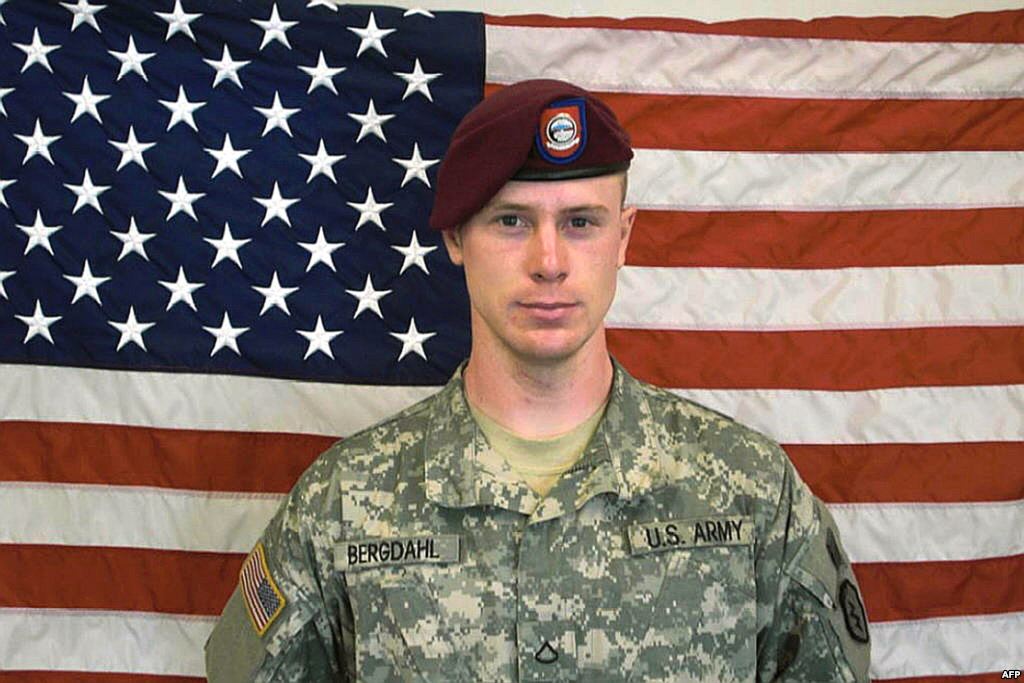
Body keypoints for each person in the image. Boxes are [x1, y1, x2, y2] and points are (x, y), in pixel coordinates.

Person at [205, 79, 871, 682]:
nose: (548, 262)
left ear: (623, 237)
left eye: (580, 222)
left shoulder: (752, 493)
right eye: (511, 221)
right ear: (456, 237)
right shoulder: (343, 504)